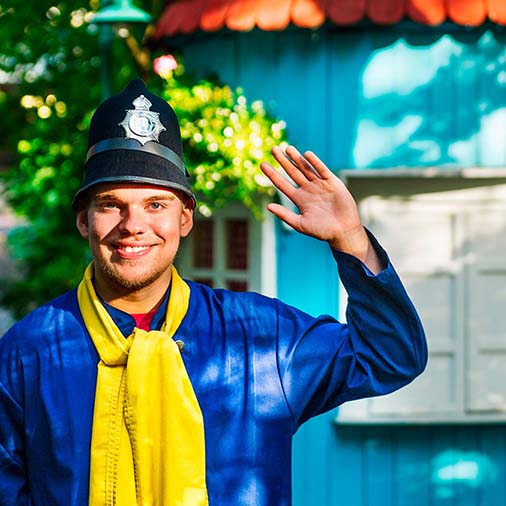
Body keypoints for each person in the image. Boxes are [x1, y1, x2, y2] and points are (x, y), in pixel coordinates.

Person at [0, 78, 427, 506]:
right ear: (83, 220)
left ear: (185, 218)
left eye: (155, 205)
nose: (132, 225)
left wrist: (351, 240)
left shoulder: (261, 338)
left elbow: (390, 356)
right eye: (111, 203)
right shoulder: (28, 351)